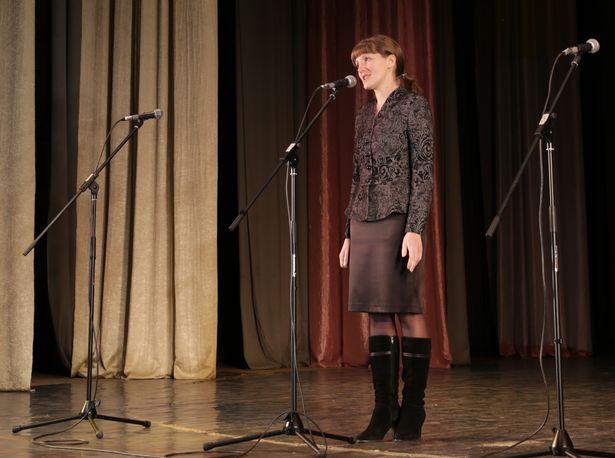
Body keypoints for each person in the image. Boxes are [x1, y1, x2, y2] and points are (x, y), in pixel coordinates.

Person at [339, 34, 434, 442]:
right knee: (375, 313)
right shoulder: (364, 114)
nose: (360, 67)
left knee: (406, 309)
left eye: (367, 59)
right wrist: (348, 232)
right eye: (356, 62)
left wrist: (415, 228)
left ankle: (413, 408)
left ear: (391, 60)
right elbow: (357, 176)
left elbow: (423, 171)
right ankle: (384, 408)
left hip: (398, 219)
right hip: (363, 220)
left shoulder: (414, 105)